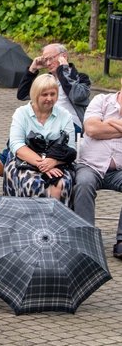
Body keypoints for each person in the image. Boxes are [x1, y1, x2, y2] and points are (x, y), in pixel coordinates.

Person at [4, 74, 76, 203]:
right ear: (35, 94)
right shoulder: (22, 113)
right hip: (25, 162)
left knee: (61, 184)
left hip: (59, 161)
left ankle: (56, 221)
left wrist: (53, 162)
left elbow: (70, 148)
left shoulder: (65, 115)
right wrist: (44, 164)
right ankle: (31, 221)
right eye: (44, 94)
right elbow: (16, 145)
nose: (49, 98)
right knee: (33, 184)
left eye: (53, 94)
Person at [72, 81, 122, 259]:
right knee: (84, 184)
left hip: (119, 170)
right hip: (90, 164)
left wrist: (107, 123)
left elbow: (98, 128)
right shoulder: (101, 100)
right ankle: (86, 240)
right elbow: (92, 129)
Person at [17, 43, 91, 131]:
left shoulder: (80, 78)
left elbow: (76, 96)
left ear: (64, 56)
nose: (48, 63)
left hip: (71, 125)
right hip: (45, 123)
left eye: (51, 58)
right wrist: (32, 70)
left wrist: (63, 69)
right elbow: (22, 95)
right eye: (45, 60)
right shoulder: (47, 80)